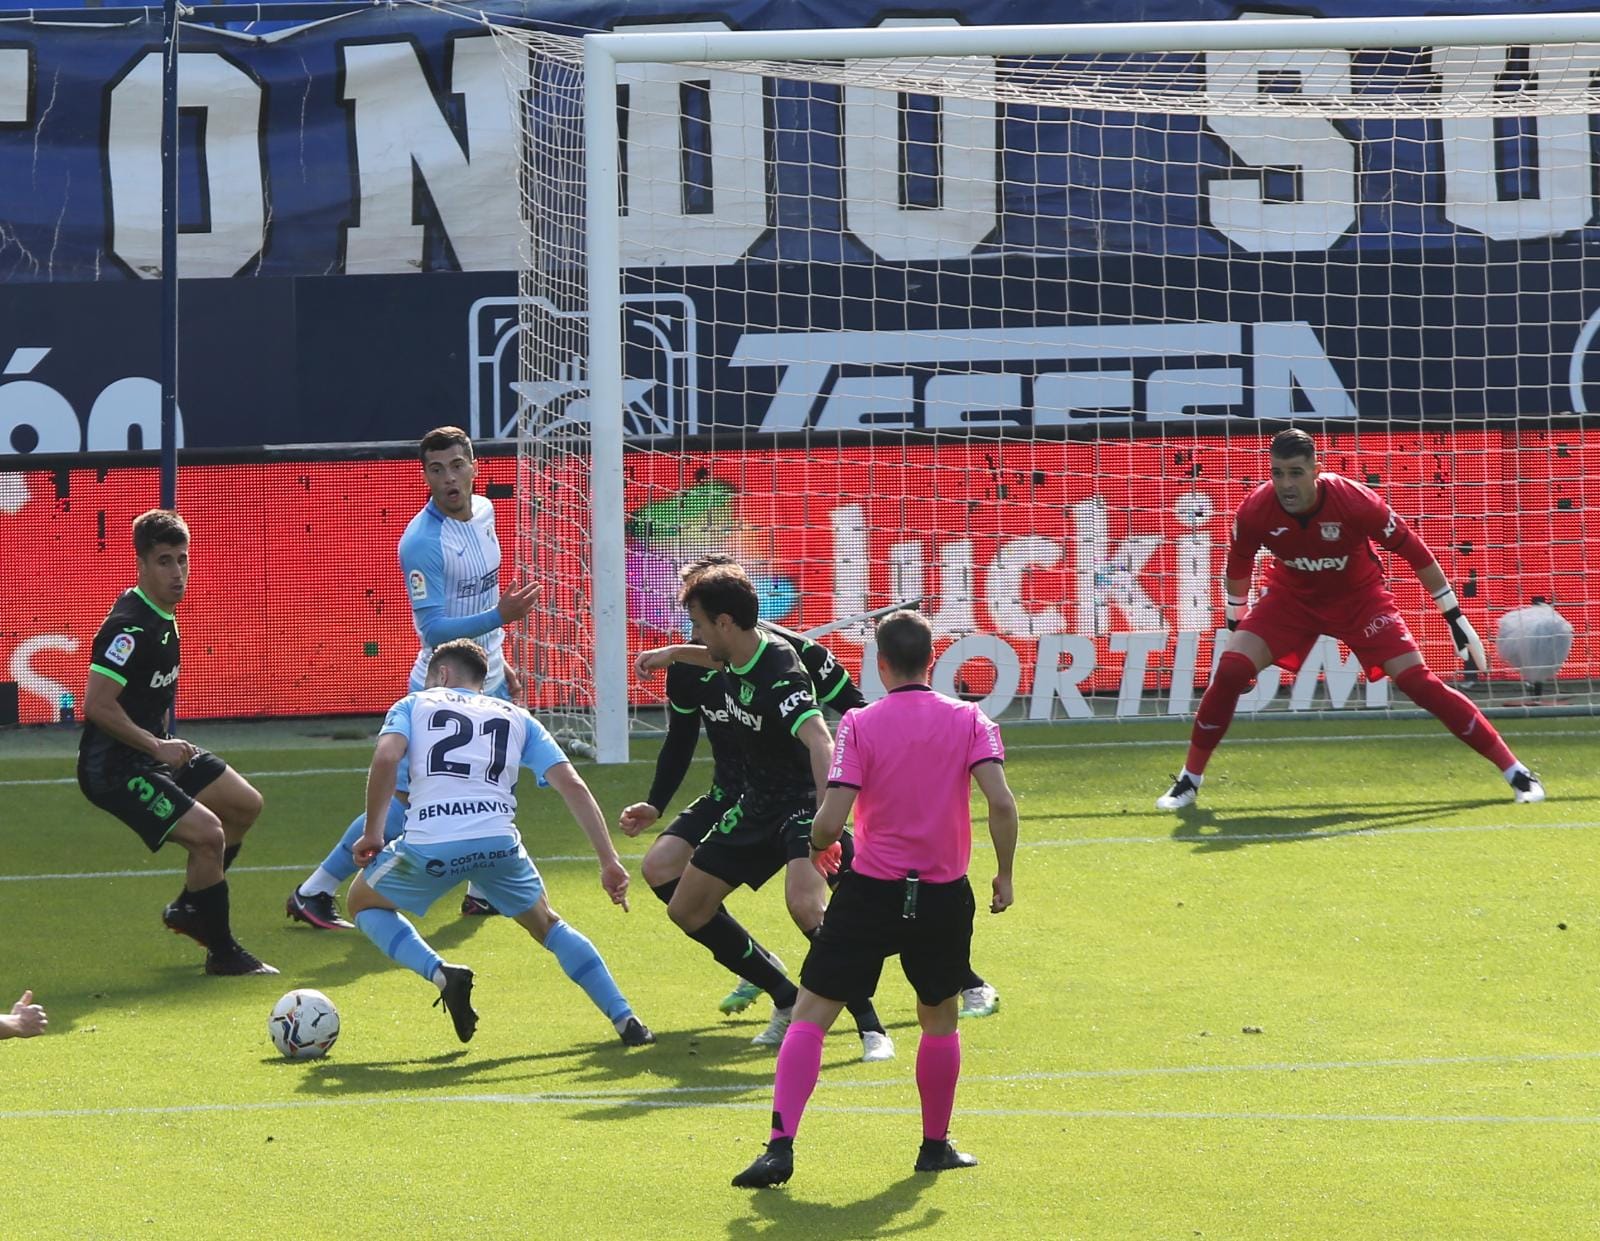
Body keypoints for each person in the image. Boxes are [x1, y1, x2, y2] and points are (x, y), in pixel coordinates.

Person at [732, 609, 1018, 1189]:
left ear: (880, 664)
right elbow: (1002, 803)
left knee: (811, 1014)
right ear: (932, 660)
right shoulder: (970, 719)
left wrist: (818, 846)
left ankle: (779, 1149)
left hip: (870, 892)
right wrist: (1004, 876)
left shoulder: (860, 724)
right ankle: (934, 1145)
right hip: (941, 895)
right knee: (938, 1019)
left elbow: (831, 817)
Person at [1156, 428, 1546, 810]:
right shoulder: (1256, 509)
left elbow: (1413, 549)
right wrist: (1234, 628)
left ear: (1316, 470)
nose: (1286, 484)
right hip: (1291, 600)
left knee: (1419, 682)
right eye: (1277, 473)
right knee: (1230, 671)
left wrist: (1454, 616)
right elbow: (1237, 567)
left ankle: (1517, 773)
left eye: (1295, 473)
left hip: (1360, 600)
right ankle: (1189, 781)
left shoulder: (1354, 500)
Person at [634, 563, 893, 1056]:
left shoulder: (779, 668)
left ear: (725, 623)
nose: (697, 634)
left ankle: (871, 1027)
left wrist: (827, 823)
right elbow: (718, 663)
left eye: (700, 624)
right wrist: (671, 654)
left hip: (799, 804)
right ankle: (786, 995)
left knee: (805, 905)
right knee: (686, 908)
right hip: (755, 804)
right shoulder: (736, 653)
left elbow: (820, 740)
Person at [287, 426, 539, 930]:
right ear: (424, 475)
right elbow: (433, 629)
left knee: (488, 784)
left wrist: (499, 660)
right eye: (435, 469)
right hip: (439, 685)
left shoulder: (487, 512)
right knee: (403, 805)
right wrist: (501, 619)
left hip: (483, 675)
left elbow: (478, 598)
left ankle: (481, 891)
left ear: (473, 466)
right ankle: (314, 890)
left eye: (456, 465)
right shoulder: (422, 542)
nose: (448, 478)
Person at [346, 638, 653, 1049]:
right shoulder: (517, 716)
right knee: (548, 926)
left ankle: (441, 973)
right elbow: (573, 785)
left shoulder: (414, 703)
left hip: (432, 844)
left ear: (441, 674)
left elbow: (386, 759)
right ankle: (627, 1020)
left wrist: (373, 833)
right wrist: (609, 860)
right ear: (483, 678)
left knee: (361, 903)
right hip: (498, 846)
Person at [77, 510, 276, 976]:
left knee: (244, 805)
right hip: (115, 770)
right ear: (142, 563)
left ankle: (190, 907)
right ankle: (224, 954)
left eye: (183, 560)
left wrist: (162, 742)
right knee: (209, 836)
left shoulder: (162, 615)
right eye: (165, 561)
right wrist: (155, 746)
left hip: (154, 750)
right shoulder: (130, 627)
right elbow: (97, 706)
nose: (177, 573)